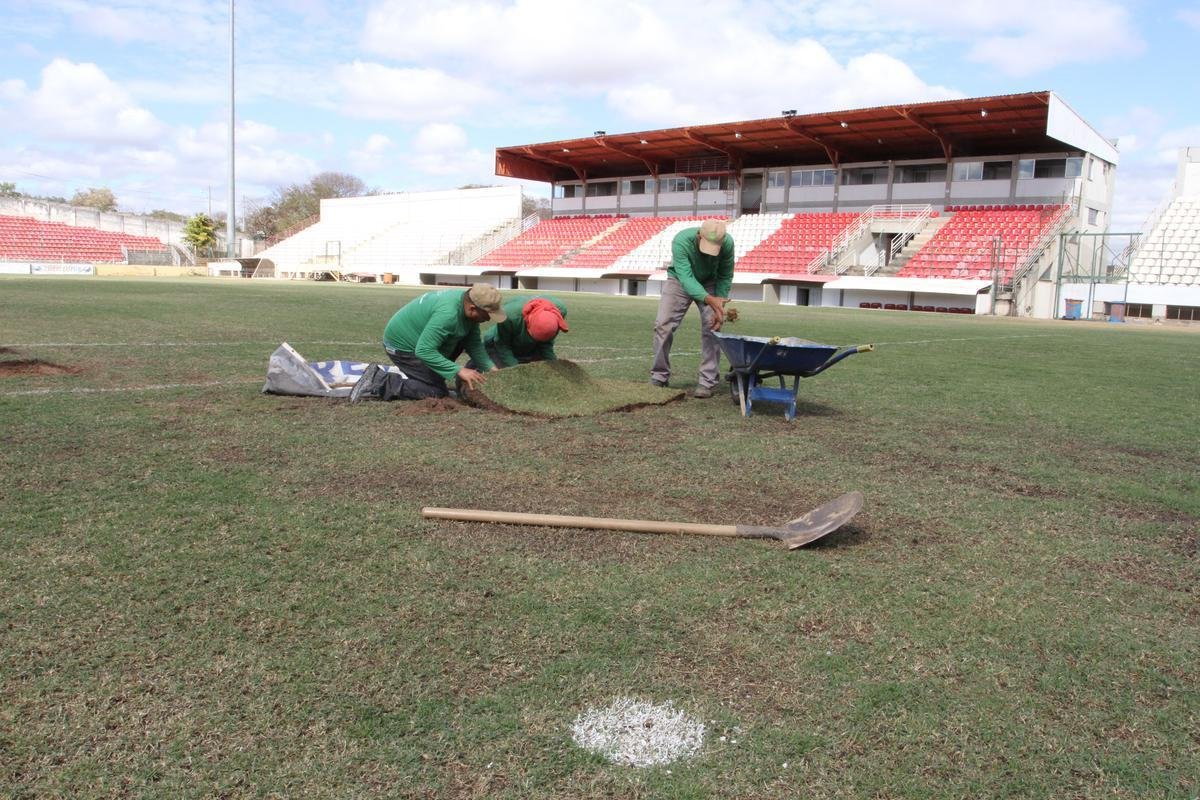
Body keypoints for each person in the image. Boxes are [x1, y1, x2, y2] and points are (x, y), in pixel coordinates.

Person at [350, 282, 504, 402]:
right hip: (402, 347)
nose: (489, 318)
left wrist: (492, 370)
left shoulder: (465, 305)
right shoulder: (448, 315)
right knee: (436, 392)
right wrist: (459, 370)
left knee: (459, 342)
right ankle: (379, 381)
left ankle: (428, 377)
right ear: (472, 309)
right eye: (488, 314)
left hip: (421, 343)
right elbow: (424, 351)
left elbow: (474, 344)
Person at [650, 218, 733, 397]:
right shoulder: (681, 240)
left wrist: (719, 301)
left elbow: (725, 274)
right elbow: (686, 278)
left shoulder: (727, 243)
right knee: (663, 325)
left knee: (713, 326)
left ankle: (707, 381)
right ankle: (659, 375)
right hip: (679, 280)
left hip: (710, 282)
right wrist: (709, 299)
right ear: (698, 236)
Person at [482, 296, 569, 367]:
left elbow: (546, 344)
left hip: (531, 347)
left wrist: (554, 364)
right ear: (528, 322)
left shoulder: (559, 311)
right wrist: (516, 368)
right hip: (500, 345)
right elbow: (502, 345)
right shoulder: (509, 315)